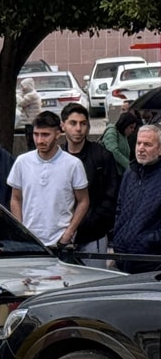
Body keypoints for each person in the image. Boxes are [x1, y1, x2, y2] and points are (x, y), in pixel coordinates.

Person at [7, 111, 89, 247]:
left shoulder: (73, 164)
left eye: (45, 135)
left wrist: (68, 234)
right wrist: (21, 230)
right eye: (36, 134)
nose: (39, 140)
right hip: (30, 241)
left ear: (58, 133)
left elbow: (83, 201)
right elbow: (16, 198)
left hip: (60, 241)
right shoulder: (22, 162)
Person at [60, 103, 119, 257]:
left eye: (83, 124)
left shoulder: (102, 156)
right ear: (63, 125)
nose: (78, 129)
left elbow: (111, 196)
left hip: (93, 236)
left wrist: (91, 223)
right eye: (73, 123)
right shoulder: (56, 157)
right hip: (59, 235)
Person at [110, 124, 161, 273]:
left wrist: (148, 240)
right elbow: (120, 206)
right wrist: (118, 233)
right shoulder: (130, 172)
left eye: (148, 144)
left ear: (159, 149)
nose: (141, 148)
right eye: (139, 143)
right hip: (122, 256)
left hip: (150, 261)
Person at [17, 78, 42, 145]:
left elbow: (21, 103)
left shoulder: (31, 95)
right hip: (30, 120)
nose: (22, 88)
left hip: (31, 120)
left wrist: (17, 95)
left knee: (31, 139)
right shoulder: (31, 94)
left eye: (23, 86)